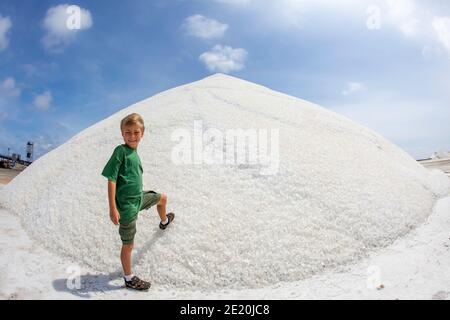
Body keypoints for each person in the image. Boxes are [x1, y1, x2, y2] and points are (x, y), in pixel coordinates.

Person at [101, 113, 174, 291]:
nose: (132, 136)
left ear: (142, 133)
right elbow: (111, 179)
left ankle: (164, 222)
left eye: (136, 132)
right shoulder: (121, 151)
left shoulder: (134, 152)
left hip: (139, 198)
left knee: (162, 198)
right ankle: (128, 278)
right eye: (128, 132)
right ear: (122, 133)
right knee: (128, 245)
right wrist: (113, 208)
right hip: (127, 208)